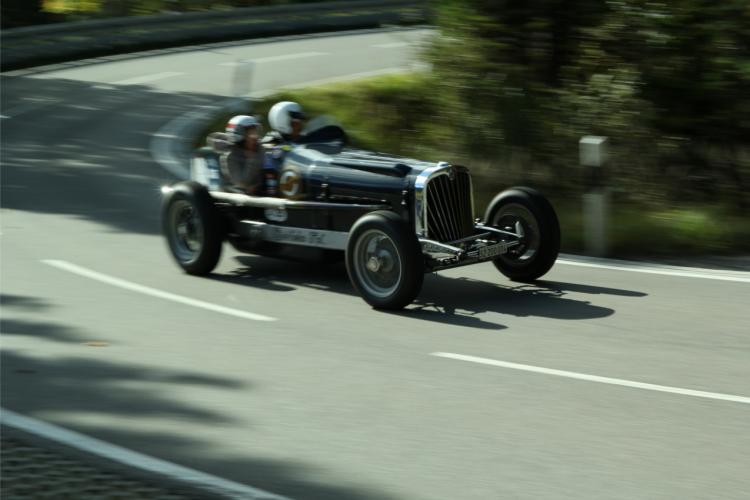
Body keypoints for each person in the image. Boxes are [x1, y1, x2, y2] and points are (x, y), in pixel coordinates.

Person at [206, 115, 265, 194]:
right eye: (251, 133)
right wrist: (252, 159)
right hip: (239, 198)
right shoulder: (229, 157)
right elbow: (242, 183)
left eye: (255, 132)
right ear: (240, 136)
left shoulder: (259, 147)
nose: (255, 136)